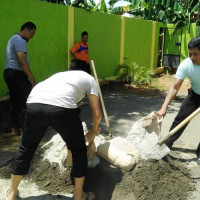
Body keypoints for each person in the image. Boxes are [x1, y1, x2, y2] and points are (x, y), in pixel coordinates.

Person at [5, 67, 102, 200]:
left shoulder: (60, 76)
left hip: (34, 104)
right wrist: (94, 130)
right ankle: (79, 195)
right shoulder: (90, 80)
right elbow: (97, 113)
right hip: (61, 107)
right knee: (78, 150)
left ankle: (12, 193)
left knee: (26, 148)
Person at [158, 37, 200, 163]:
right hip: (195, 95)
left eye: (195, 54)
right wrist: (164, 107)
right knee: (180, 119)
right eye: (190, 54)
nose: (192, 57)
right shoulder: (186, 64)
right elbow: (174, 88)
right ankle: (166, 146)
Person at [3, 22, 36, 136]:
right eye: (31, 33)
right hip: (16, 74)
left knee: (15, 102)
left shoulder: (13, 39)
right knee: (26, 100)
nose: (32, 37)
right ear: (26, 30)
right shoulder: (19, 40)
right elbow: (22, 62)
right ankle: (25, 130)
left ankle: (15, 128)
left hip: (10, 74)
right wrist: (32, 79)